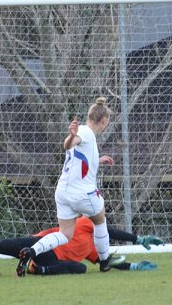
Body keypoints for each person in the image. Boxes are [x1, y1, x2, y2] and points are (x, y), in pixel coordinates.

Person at [16, 97, 121, 276]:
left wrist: (98, 159)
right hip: (81, 193)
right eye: (107, 122)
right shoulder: (86, 133)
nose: (106, 126)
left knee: (65, 234)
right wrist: (71, 136)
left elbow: (78, 156)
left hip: (63, 192)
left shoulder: (86, 135)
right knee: (100, 218)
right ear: (103, 121)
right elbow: (68, 145)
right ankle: (104, 262)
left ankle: (30, 252)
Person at [0, 216, 163, 274]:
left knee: (81, 268)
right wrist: (138, 239)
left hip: (46, 258)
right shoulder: (86, 223)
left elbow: (107, 263)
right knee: (0, 245)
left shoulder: (93, 251)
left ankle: (36, 268)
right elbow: (110, 231)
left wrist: (133, 266)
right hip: (38, 244)